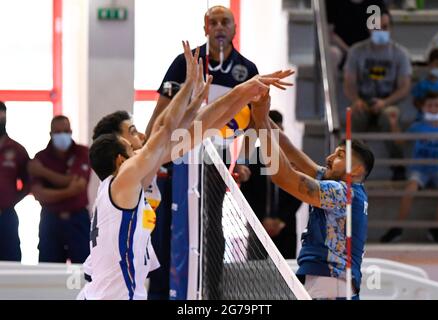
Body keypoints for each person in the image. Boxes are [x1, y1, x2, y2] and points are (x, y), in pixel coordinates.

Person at [79, 41, 291, 300]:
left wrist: (243, 92)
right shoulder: (126, 177)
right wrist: (189, 85)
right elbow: (166, 127)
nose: (142, 135)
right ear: (120, 159)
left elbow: (196, 130)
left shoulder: (129, 178)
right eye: (132, 135)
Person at [145, 5, 259, 300]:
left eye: (226, 22)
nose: (220, 27)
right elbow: (160, 112)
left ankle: (211, 292)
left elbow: (253, 126)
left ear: (234, 29)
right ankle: (161, 292)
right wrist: (148, 152)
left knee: (211, 225)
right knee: (168, 225)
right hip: (178, 157)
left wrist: (243, 161)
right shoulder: (185, 63)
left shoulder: (247, 71)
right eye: (214, 22)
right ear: (205, 28)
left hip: (217, 163)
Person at [251, 92, 374, 300]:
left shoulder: (343, 192)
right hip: (329, 282)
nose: (329, 157)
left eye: (339, 156)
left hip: (331, 283)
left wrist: (262, 123)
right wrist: (258, 111)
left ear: (355, 170)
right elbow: (291, 151)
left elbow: (283, 176)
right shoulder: (342, 188)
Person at [344, 12, 411, 180]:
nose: (381, 30)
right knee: (354, 115)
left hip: (388, 102)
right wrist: (356, 100)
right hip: (363, 101)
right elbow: (348, 83)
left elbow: (404, 87)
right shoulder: (356, 51)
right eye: (377, 27)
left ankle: (398, 167)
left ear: (391, 28)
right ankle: (353, 168)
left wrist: (385, 102)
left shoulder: (400, 53)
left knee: (390, 118)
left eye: (385, 27)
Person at [380, 91, 438, 243]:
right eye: (430, 105)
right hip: (419, 170)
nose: (433, 108)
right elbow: (400, 142)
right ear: (423, 108)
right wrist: (393, 123)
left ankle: (436, 228)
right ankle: (397, 228)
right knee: (410, 189)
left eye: (437, 105)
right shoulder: (417, 127)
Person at [29, 115, 91, 263]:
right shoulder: (41, 157)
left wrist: (43, 172)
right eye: (58, 132)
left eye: (66, 131)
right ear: (50, 134)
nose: (62, 135)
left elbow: (79, 185)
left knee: (81, 270)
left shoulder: (82, 152)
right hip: (50, 220)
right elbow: (38, 194)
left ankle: (77, 288)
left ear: (71, 132)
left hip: (78, 219)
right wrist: (69, 190)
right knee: (49, 269)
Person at [241, 110, 301, 259]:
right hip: (258, 225)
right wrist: (261, 220)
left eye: (278, 131)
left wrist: (281, 220)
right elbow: (246, 192)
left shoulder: (293, 158)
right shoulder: (252, 158)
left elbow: (298, 192)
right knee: (254, 273)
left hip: (285, 227)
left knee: (286, 275)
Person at [0, 101, 31, 262]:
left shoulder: (17, 149)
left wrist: (10, 201)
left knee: (10, 261)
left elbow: (28, 183)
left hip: (6, 216)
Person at [326, 0, 388, 70]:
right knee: (333, 53)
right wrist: (350, 52)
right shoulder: (333, 2)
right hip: (342, 49)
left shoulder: (375, 3)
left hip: (366, 50)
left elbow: (380, 32)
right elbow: (330, 34)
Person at [412, 48, 438, 124]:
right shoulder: (421, 84)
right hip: (423, 116)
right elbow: (415, 101)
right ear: (429, 64)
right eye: (437, 64)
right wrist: (425, 111)